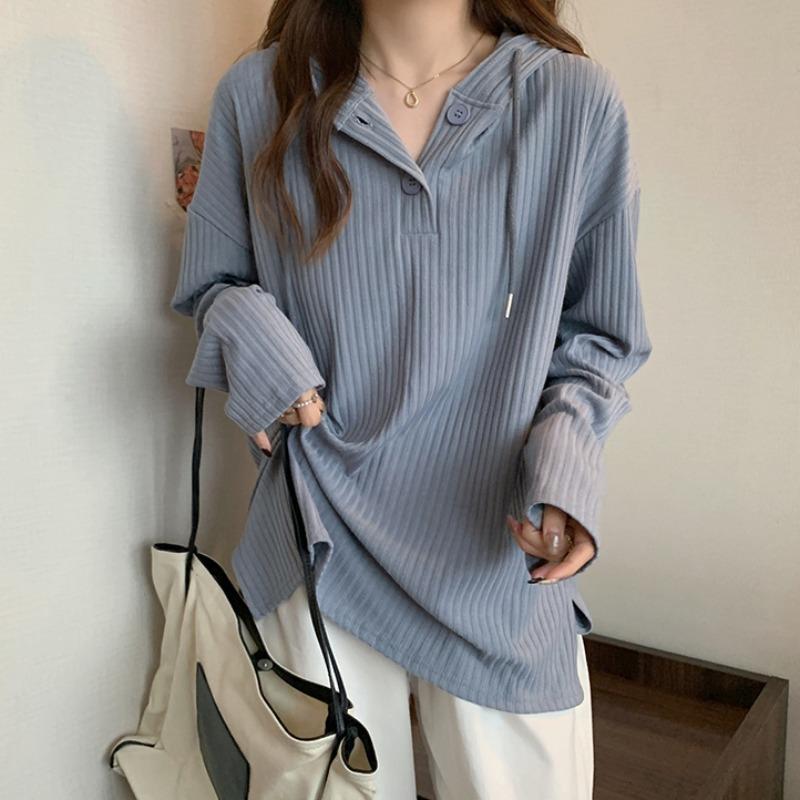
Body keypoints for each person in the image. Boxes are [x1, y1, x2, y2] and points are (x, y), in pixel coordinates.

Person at [170, 1, 653, 797]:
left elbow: (599, 335)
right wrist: (256, 340)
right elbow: (215, 282)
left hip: (499, 551)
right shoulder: (260, 94)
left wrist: (565, 462)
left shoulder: (573, 102)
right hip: (319, 535)